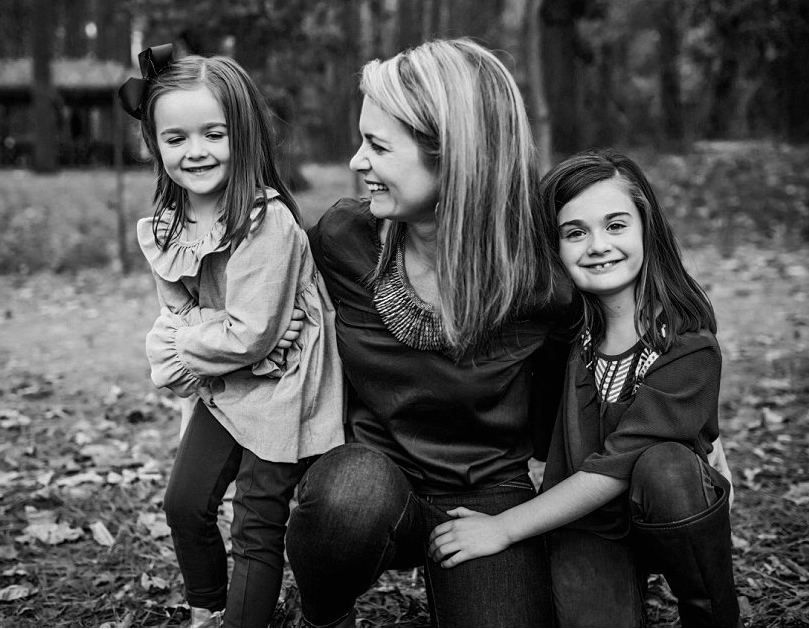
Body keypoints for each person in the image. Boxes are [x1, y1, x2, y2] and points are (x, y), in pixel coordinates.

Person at [285, 38, 572, 628]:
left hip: (487, 496)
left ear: (454, 157)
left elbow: (617, 357)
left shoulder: (543, 279)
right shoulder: (346, 240)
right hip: (374, 478)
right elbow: (263, 296)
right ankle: (319, 615)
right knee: (350, 497)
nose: (357, 162)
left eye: (378, 145)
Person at [428, 149, 741, 627]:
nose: (598, 245)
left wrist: (503, 528)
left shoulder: (687, 344)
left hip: (668, 512)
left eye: (616, 225)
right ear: (553, 249)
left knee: (667, 468)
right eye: (575, 232)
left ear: (646, 228)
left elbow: (616, 469)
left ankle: (712, 615)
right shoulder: (563, 331)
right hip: (586, 525)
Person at [119, 45, 344, 628]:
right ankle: (207, 610)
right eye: (175, 139)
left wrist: (198, 336)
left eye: (213, 134)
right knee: (185, 501)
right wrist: (205, 332)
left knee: (256, 521)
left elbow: (249, 335)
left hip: (281, 386)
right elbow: (180, 310)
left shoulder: (265, 222)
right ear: (155, 145)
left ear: (242, 135)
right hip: (223, 382)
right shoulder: (170, 222)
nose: (195, 152)